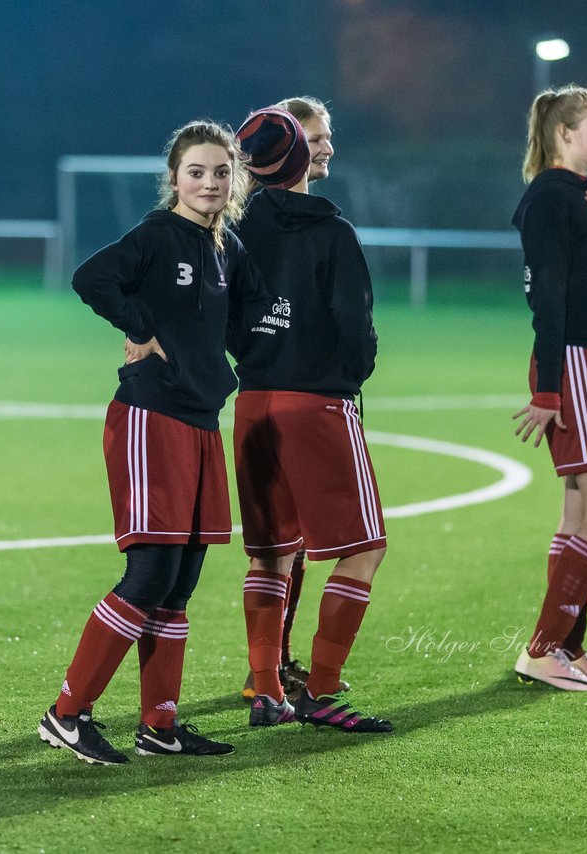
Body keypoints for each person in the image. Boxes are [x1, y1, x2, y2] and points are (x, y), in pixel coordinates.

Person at [38, 119, 266, 764]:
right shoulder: (158, 235)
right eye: (196, 171)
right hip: (149, 416)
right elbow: (92, 278)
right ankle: (67, 713)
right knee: (150, 570)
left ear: (236, 178)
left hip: (199, 419)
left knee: (181, 579)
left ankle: (159, 725)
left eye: (221, 172)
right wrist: (140, 324)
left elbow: (251, 317)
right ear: (174, 178)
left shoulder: (228, 248)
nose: (210, 182)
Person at [229, 107, 391, 733]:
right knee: (363, 550)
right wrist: (350, 373)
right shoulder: (333, 232)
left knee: (270, 556)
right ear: (301, 158)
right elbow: (357, 329)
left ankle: (267, 688)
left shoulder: (233, 229)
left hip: (253, 404)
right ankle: (320, 692)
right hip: (316, 404)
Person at [510, 84, 587, 691]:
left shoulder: (585, 200)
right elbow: (548, 298)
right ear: (563, 133)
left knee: (582, 514)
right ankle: (540, 649)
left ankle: (570, 647)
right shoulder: (549, 200)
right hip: (577, 365)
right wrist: (550, 390)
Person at [236, 95, 349, 702]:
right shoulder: (271, 226)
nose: (325, 144)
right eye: (315, 134)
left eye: (327, 134)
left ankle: (274, 668)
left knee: (288, 545)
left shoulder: (299, 219)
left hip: (267, 396)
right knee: (284, 547)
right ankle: (272, 674)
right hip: (302, 397)